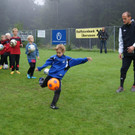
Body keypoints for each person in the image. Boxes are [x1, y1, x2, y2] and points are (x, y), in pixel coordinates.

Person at [35, 44, 92, 109]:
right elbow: (46, 63)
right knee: (42, 85)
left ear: (63, 51)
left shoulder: (67, 60)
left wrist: (86, 59)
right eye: (57, 53)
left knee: (58, 91)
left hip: (58, 78)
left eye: (59, 53)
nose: (58, 54)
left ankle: (53, 105)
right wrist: (40, 68)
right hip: (51, 75)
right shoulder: (53, 58)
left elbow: (77, 61)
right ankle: (41, 80)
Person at [116, 11, 135, 93]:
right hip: (126, 53)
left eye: (125, 18)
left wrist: (134, 46)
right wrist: (120, 52)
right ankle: (121, 86)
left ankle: (134, 85)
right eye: (122, 19)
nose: (123, 20)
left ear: (129, 17)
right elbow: (120, 41)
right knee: (123, 69)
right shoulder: (122, 28)